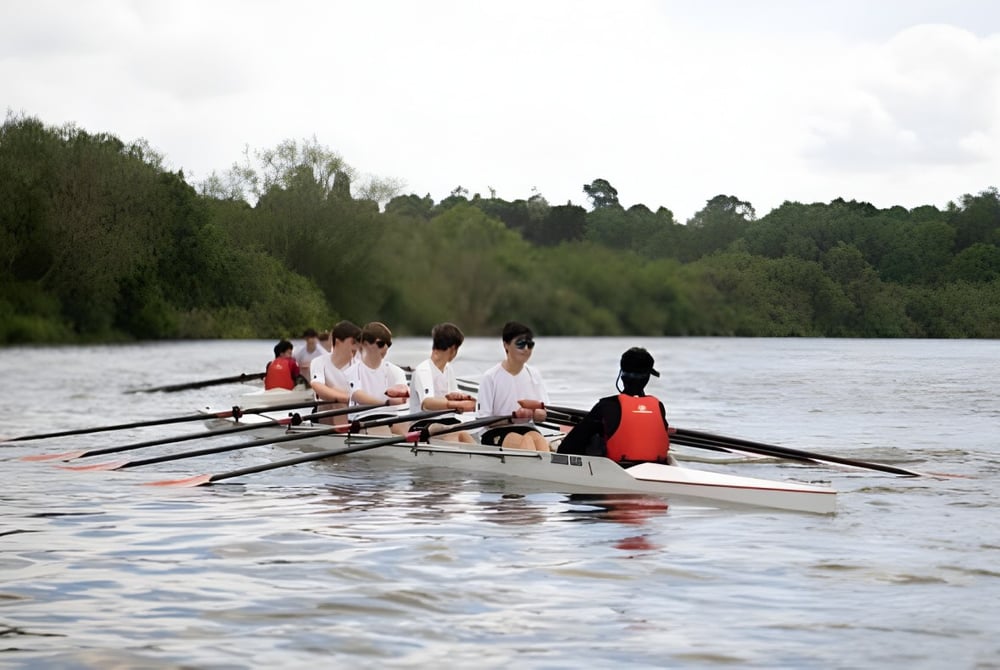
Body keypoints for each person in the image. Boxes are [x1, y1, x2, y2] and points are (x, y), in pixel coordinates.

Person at [557, 347, 670, 464]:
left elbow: (565, 449)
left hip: (618, 469)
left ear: (622, 375)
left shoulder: (606, 406)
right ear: (647, 378)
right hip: (656, 468)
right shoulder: (658, 407)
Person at [475, 321, 551, 451]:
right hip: (495, 431)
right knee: (526, 442)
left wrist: (541, 415)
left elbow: (545, 410)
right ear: (506, 345)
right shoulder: (490, 377)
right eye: (520, 344)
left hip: (527, 428)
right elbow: (483, 420)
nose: (526, 349)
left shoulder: (534, 374)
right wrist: (513, 418)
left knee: (539, 442)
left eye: (530, 344)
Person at [409, 322, 476, 443]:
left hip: (447, 421)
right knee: (458, 434)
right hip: (423, 424)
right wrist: (454, 405)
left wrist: (469, 401)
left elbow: (454, 398)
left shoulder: (448, 369)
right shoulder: (424, 370)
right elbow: (427, 403)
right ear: (453, 349)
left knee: (465, 434)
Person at [347, 322, 410, 429]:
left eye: (388, 344)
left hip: (392, 417)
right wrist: (386, 402)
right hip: (363, 417)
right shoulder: (351, 372)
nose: (385, 348)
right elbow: (357, 395)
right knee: (383, 430)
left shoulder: (396, 371)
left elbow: (402, 394)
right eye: (380, 344)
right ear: (365, 344)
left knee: (407, 431)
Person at [310, 321, 362, 425]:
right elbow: (317, 386)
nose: (356, 347)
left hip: (354, 415)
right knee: (339, 402)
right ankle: (342, 436)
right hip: (326, 413)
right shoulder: (319, 362)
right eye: (353, 342)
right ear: (338, 342)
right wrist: (347, 398)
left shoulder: (360, 366)